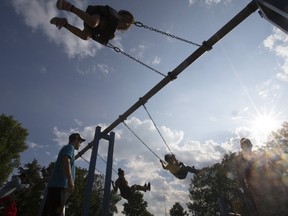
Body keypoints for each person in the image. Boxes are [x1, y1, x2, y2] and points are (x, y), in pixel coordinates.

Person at [50, 0, 134, 45]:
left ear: (122, 27)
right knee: (94, 23)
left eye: (127, 22)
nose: (126, 20)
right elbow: (107, 12)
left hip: (95, 29)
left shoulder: (113, 31)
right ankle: (68, 6)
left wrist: (106, 38)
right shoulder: (114, 13)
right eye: (126, 17)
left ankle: (64, 23)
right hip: (99, 15)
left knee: (85, 37)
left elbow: (103, 38)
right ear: (122, 14)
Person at [41, 133, 85, 216]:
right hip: (59, 187)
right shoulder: (69, 147)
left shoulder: (67, 148)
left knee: (52, 212)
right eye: (80, 142)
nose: (80, 144)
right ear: (76, 140)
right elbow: (66, 160)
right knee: (53, 212)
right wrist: (70, 181)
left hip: (57, 187)